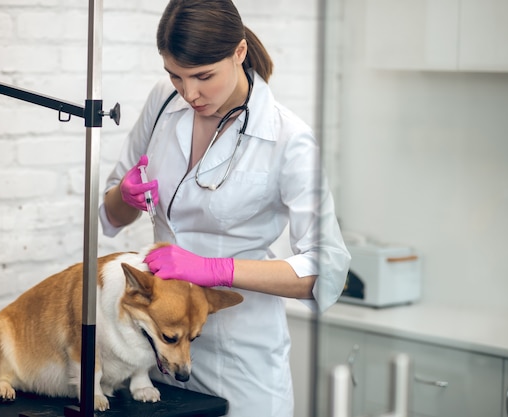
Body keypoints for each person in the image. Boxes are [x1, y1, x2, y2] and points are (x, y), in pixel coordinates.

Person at [99, 0, 350, 415]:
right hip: (156, 345)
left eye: (203, 76)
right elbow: (113, 212)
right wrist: (124, 196)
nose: (189, 92)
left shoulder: (289, 138)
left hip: (240, 354)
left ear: (238, 52)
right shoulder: (164, 101)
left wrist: (217, 270)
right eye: (175, 76)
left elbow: (328, 272)